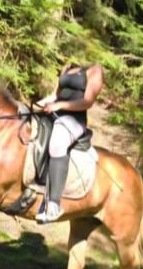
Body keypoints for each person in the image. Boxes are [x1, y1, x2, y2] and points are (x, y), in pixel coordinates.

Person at [36, 60, 104, 222]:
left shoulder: (95, 70)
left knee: (58, 143)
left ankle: (53, 205)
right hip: (55, 113)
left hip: (74, 119)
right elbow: (55, 95)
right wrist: (36, 105)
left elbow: (87, 101)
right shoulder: (68, 67)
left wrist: (59, 105)